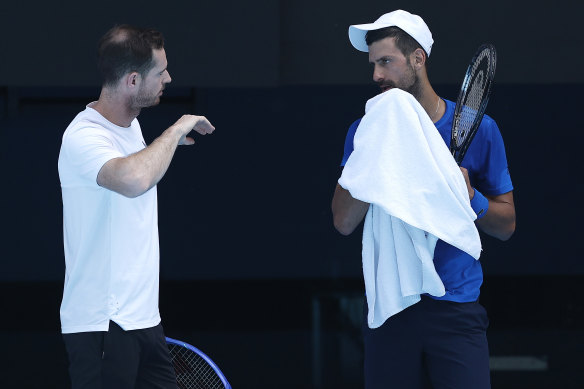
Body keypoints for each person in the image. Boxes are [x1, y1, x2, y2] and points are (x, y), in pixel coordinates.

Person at [331, 10, 516, 389]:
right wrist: (375, 157)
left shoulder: (481, 130)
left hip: (457, 312)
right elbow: (343, 221)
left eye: (386, 61)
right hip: (392, 310)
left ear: (418, 58)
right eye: (373, 64)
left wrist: (471, 197)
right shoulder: (364, 131)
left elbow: (507, 226)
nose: (376, 75)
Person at [58, 25, 215, 388]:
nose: (168, 78)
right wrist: (174, 132)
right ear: (132, 80)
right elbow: (133, 180)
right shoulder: (83, 136)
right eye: (160, 72)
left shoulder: (130, 129)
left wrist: (164, 147)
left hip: (144, 323)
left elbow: (141, 167)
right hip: (102, 326)